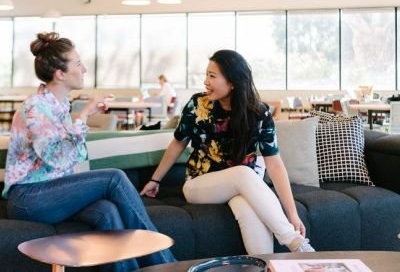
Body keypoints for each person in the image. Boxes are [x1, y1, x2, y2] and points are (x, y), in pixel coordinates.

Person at [2, 32, 175, 272]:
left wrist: (82, 117)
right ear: (60, 74)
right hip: (29, 199)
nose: (84, 69)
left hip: (50, 192)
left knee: (108, 212)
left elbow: (73, 158)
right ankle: (167, 265)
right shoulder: (36, 108)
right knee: (114, 178)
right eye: (78, 63)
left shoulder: (59, 105)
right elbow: (59, 159)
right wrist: (83, 117)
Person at [141, 49, 315, 254]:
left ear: (232, 82)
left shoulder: (259, 113)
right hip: (199, 185)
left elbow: (274, 164)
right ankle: (295, 242)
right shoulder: (198, 104)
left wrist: (293, 214)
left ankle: (264, 265)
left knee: (248, 209)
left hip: (241, 186)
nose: (205, 81)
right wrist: (155, 180)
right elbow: (179, 143)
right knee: (244, 173)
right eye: (206, 74)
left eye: (212, 76)